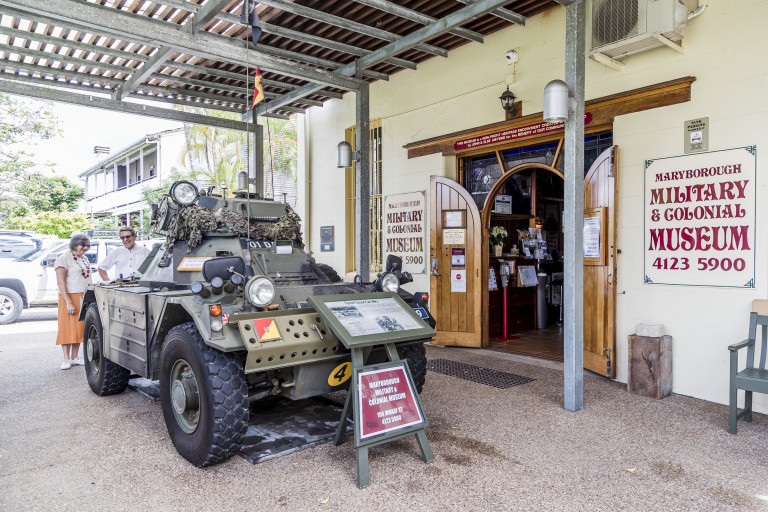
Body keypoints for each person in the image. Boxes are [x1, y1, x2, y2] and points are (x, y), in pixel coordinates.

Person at [55, 234, 92, 370]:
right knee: (67, 328)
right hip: (69, 297)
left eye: (87, 245)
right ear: (74, 244)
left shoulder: (84, 258)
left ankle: (75, 357)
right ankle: (66, 359)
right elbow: (61, 282)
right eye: (83, 245)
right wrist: (68, 302)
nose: (85, 248)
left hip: (83, 296)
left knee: (78, 328)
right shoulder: (63, 259)